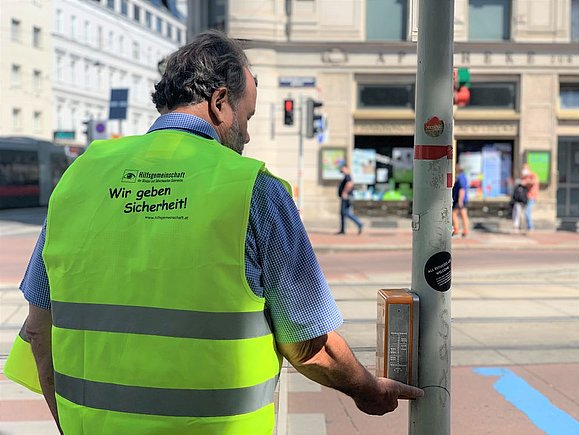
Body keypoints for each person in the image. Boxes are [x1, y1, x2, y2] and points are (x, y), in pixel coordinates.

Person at [17, 30, 422, 434]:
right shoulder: (253, 189)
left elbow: (38, 330)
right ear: (220, 103)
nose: (246, 135)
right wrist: (367, 390)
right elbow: (310, 347)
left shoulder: (79, 175)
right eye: (246, 118)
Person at [336, 164, 364, 235]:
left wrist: (344, 193)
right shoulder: (346, 176)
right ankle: (342, 230)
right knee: (343, 213)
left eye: (342, 168)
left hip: (346, 197)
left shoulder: (348, 176)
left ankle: (359, 223)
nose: (341, 170)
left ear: (346, 168)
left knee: (345, 212)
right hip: (347, 197)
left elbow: (349, 184)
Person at [452, 165, 470, 237]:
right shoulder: (464, 177)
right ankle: (466, 230)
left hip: (459, 200)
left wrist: (460, 201)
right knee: (463, 215)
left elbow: (462, 189)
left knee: (454, 214)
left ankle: (456, 229)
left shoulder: (460, 178)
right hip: (463, 199)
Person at [521, 163, 539, 231]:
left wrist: (526, 181)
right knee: (525, 212)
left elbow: (535, 181)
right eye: (523, 168)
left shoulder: (533, 175)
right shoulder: (524, 176)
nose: (523, 170)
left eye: (525, 169)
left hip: (532, 196)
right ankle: (529, 226)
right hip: (526, 197)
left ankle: (531, 227)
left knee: (527, 211)